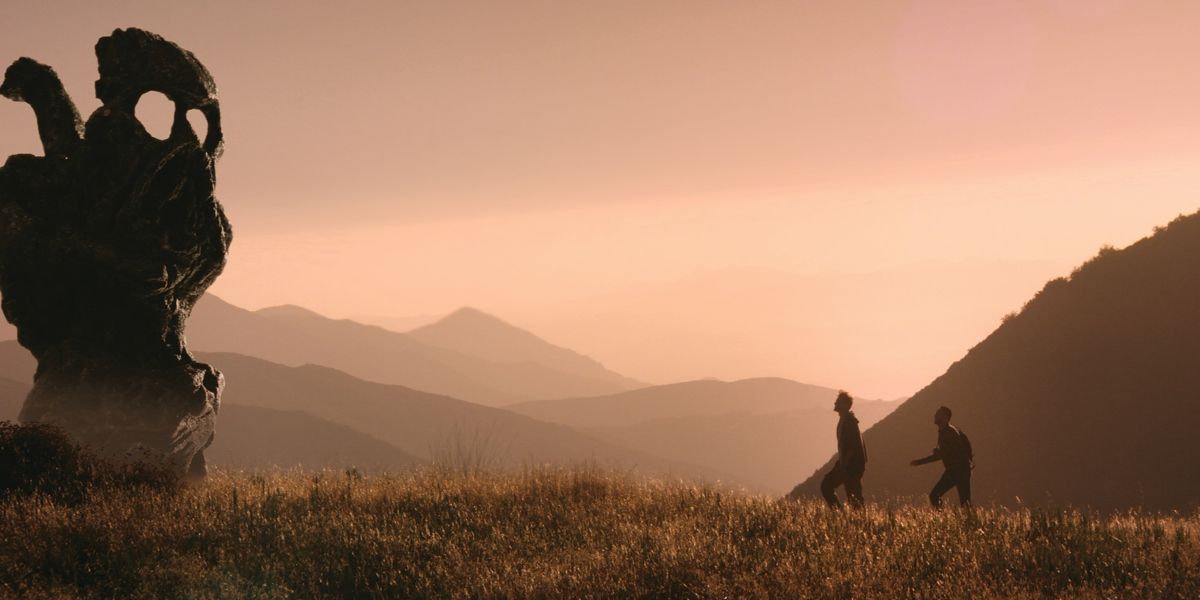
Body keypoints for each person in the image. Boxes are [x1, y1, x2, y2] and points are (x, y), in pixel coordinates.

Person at [909, 406, 973, 508]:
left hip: (959, 471)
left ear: (945, 417)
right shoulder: (945, 432)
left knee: (936, 496)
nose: (935, 415)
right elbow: (944, 453)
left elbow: (939, 455)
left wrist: (919, 462)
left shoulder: (949, 433)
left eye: (938, 414)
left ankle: (945, 518)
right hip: (957, 470)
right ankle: (948, 519)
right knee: (963, 503)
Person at [820, 391, 867, 509]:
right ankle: (842, 517)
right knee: (853, 498)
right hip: (848, 465)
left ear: (845, 405)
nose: (835, 402)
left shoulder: (849, 422)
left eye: (838, 401)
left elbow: (852, 447)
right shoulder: (847, 420)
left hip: (850, 466)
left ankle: (842, 517)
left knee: (853, 498)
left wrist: (844, 466)